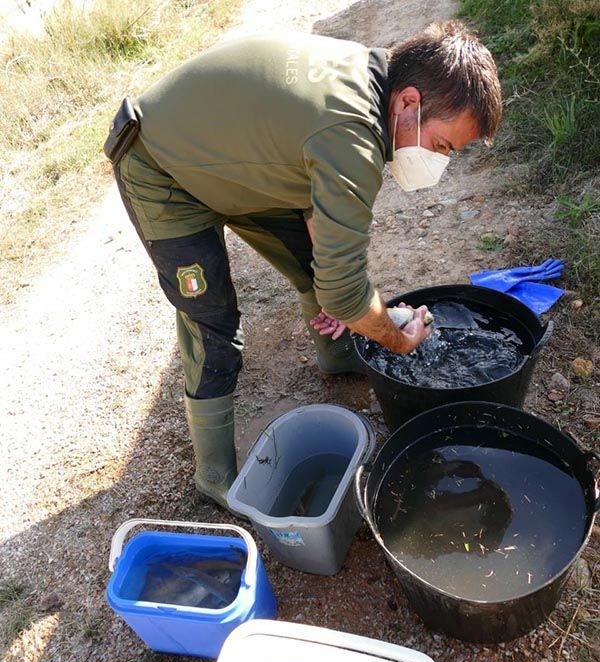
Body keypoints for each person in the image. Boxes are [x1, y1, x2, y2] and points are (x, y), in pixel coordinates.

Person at [104, 20, 502, 512]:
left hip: (241, 163)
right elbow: (344, 288)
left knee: (321, 269)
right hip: (163, 168)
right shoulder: (351, 135)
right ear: (409, 103)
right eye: (442, 147)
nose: (440, 164)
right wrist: (393, 336)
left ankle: (336, 356)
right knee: (213, 321)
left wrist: (346, 297)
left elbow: (324, 220)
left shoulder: (374, 83)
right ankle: (214, 476)